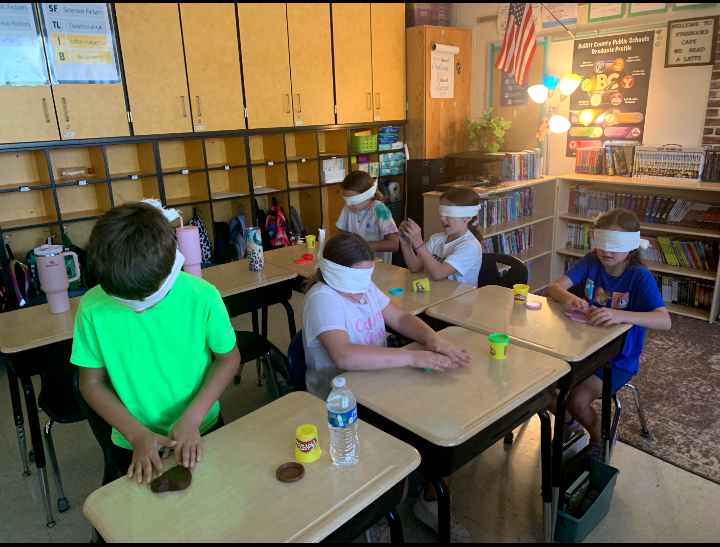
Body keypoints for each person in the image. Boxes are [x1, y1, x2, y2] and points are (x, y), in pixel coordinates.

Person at [302, 232, 472, 542]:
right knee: (396, 482)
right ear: (334, 273)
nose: (362, 290)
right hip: (342, 404)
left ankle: (431, 501)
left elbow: (400, 317)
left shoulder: (362, 286)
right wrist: (412, 358)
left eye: (365, 279)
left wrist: (434, 340)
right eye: (356, 281)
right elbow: (344, 355)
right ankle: (378, 524)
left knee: (448, 424)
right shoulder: (322, 298)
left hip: (384, 387)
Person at [73, 202, 240, 484]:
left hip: (201, 425)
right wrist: (137, 435)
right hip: (133, 439)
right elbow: (90, 382)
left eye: (149, 299)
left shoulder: (202, 297)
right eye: (126, 302)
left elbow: (229, 358)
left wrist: (192, 418)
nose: (140, 311)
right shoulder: (92, 307)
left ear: (171, 266)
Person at [546, 209, 671, 460]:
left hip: (617, 360)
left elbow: (664, 321)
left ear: (632, 245)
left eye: (615, 246)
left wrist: (621, 315)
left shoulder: (639, 277)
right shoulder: (591, 261)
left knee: (577, 400)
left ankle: (598, 438)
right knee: (537, 388)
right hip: (582, 348)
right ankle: (570, 424)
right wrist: (570, 298)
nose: (607, 252)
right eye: (602, 243)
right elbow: (555, 288)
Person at [398, 187, 483, 286]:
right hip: (436, 292)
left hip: (459, 296)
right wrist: (406, 244)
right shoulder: (437, 238)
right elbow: (415, 266)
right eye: (441, 212)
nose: (442, 218)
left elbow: (438, 274)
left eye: (449, 213)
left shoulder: (470, 246)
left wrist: (419, 244)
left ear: (468, 217)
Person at [336, 171, 399, 264]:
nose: (349, 205)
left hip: (378, 266)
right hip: (356, 264)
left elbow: (394, 244)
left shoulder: (380, 210)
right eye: (346, 201)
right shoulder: (348, 209)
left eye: (353, 201)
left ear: (367, 196)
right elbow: (341, 235)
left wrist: (364, 246)